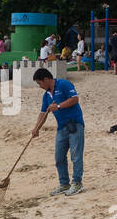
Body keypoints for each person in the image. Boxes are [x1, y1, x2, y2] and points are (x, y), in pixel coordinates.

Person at [31, 67, 84, 196]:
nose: (40, 86)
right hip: (61, 128)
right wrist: (36, 128)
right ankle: (64, 184)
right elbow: (43, 113)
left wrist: (58, 106)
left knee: (75, 155)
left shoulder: (64, 84)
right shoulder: (46, 96)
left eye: (40, 83)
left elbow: (74, 99)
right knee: (59, 157)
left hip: (74, 124)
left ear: (46, 79)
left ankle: (77, 183)